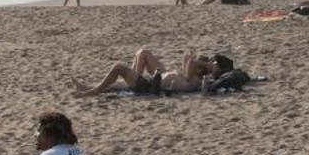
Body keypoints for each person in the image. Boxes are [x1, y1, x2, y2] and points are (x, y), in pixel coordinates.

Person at [73, 46, 218, 96]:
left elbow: (191, 62)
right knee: (143, 52)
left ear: (200, 69)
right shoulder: (190, 74)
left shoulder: (193, 79)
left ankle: (93, 91)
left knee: (118, 67)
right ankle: (89, 87)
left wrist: (205, 64)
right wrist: (201, 61)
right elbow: (188, 58)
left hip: (150, 85)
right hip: (158, 76)